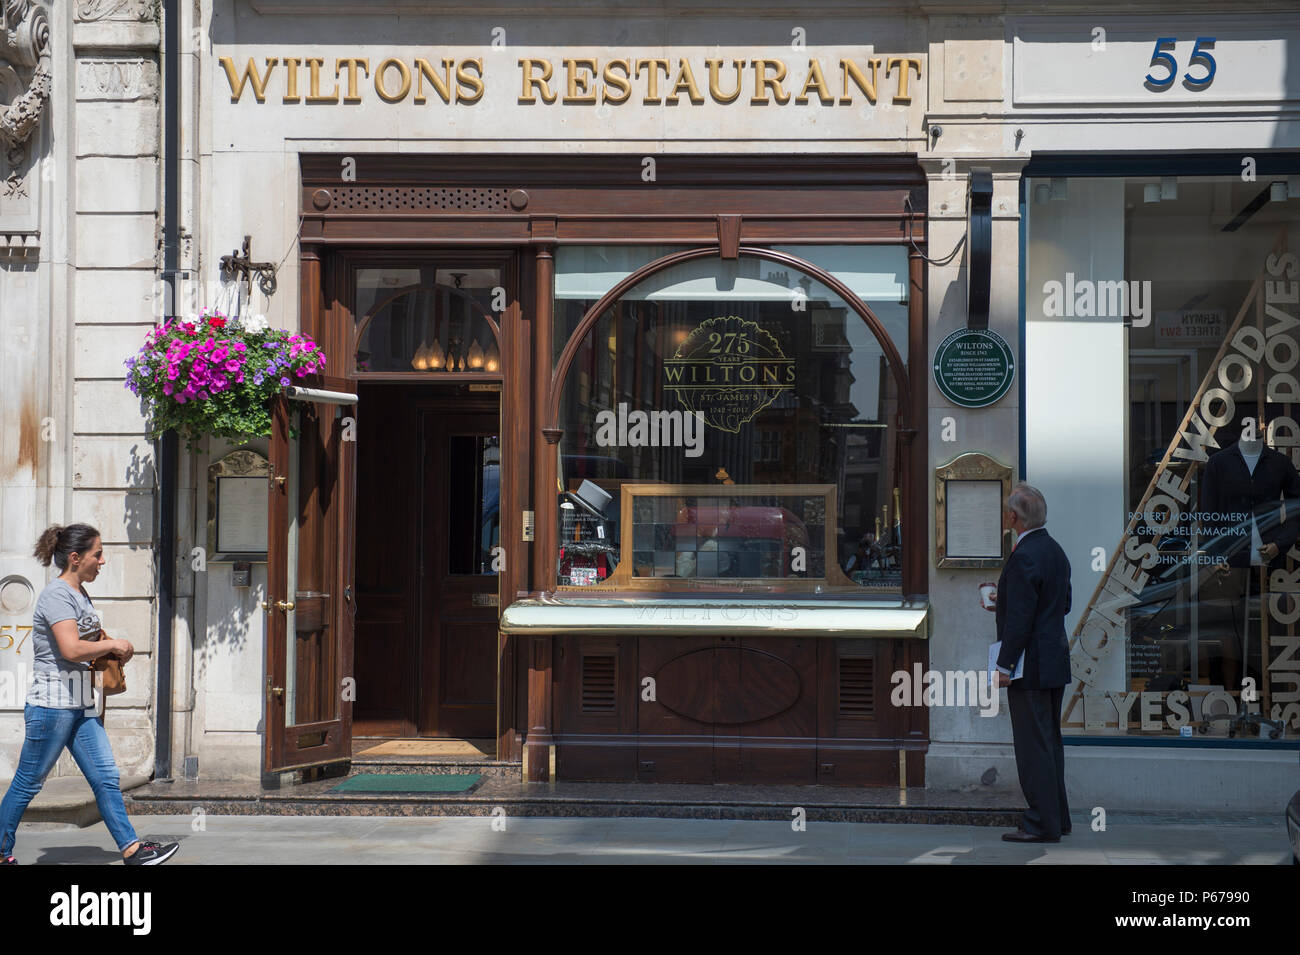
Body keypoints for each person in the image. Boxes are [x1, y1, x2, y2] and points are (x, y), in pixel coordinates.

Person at [0, 524, 178, 865]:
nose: (103, 561)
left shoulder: (79, 593)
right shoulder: (57, 595)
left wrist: (109, 651)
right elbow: (69, 648)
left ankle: (132, 850)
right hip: (51, 707)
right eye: (97, 554)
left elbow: (85, 646)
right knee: (28, 784)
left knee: (106, 777)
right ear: (75, 557)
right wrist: (111, 643)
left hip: (80, 706)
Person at [982, 484, 1072, 843]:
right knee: (1049, 742)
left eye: (1008, 512)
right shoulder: (1054, 550)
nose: (1006, 517)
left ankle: (1040, 823)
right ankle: (1057, 818)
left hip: (1029, 666)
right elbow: (1061, 604)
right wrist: (1002, 601)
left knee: (1033, 747)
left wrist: (1002, 667)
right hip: (1053, 660)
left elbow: (1019, 621)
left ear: (1014, 518)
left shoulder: (1023, 556)